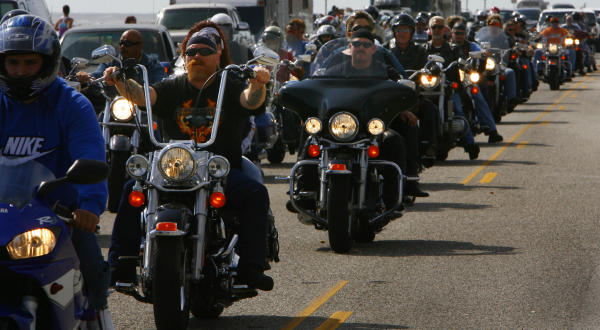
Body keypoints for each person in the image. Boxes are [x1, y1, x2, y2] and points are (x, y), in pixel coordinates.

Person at [105, 26, 275, 291]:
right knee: (130, 190)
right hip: (173, 169)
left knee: (255, 193)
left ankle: (250, 267)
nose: (197, 56)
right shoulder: (172, 86)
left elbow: (250, 101)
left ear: (218, 55)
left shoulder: (229, 85)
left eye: (205, 51)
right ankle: (121, 265)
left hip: (219, 170)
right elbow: (143, 96)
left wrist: (257, 82)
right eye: (191, 51)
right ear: (184, 58)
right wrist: (119, 80)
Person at [0, 14, 113, 328]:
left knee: (91, 269)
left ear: (47, 63)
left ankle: (100, 318)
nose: (20, 71)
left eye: (29, 63)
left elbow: (90, 155)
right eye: (13, 63)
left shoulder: (72, 104)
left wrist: (89, 206)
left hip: (58, 217)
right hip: (4, 215)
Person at [386, 13, 439, 170]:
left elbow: (428, 65)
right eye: (398, 29)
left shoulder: (419, 51)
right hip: (390, 97)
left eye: (405, 29)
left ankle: (428, 147)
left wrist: (432, 68)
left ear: (411, 32)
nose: (402, 33)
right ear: (394, 31)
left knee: (430, 108)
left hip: (412, 95)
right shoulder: (385, 50)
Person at [425, 16, 480, 160]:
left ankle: (470, 144)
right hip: (428, 89)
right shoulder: (423, 49)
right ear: (429, 30)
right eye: (434, 27)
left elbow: (462, 64)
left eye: (440, 27)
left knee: (458, 108)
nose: (437, 30)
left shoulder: (453, 48)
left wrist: (464, 65)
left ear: (445, 30)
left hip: (449, 88)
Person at [451, 22, 503, 143]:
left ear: (466, 34)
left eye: (461, 33)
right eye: (456, 33)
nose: (459, 36)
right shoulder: (448, 47)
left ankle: (492, 130)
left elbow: (480, 51)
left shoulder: (471, 46)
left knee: (477, 95)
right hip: (452, 80)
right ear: (452, 34)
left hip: (467, 78)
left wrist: (484, 53)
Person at [76, 29, 166, 85]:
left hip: (143, 108)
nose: (123, 47)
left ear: (139, 46)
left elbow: (160, 84)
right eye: (121, 43)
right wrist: (86, 77)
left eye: (127, 43)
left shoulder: (151, 64)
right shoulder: (111, 61)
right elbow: (98, 75)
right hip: (115, 105)